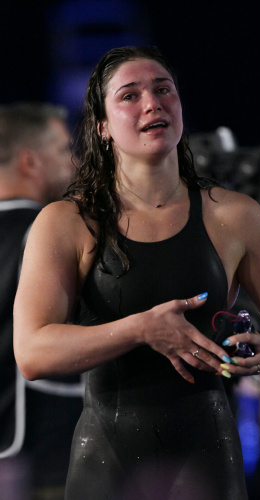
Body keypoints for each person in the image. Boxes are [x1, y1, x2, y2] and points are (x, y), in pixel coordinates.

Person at [13, 47, 260, 500]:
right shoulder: (67, 222)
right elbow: (33, 353)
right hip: (107, 463)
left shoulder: (235, 217)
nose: (152, 103)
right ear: (101, 127)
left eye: (163, 90)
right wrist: (140, 329)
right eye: (129, 96)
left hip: (208, 459)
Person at [0, 102, 82, 500]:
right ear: (30, 162)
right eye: (64, 149)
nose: (76, 162)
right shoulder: (48, 231)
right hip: (45, 459)